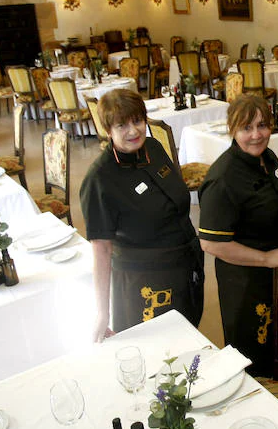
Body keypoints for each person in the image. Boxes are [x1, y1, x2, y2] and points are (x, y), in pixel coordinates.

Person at [80, 89, 204, 343]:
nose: (133, 131)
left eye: (137, 121)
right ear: (108, 130)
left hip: (185, 265)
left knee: (188, 341)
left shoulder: (154, 148)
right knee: (160, 353)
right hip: (146, 283)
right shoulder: (100, 179)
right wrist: (102, 313)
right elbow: (101, 251)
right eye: (122, 125)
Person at [198, 94, 278, 376]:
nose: (256, 135)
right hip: (245, 281)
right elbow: (211, 243)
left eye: (262, 126)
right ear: (232, 130)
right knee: (251, 352)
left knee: (277, 347)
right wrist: (266, 258)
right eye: (246, 128)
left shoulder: (267, 158)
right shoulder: (224, 178)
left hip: (276, 273)